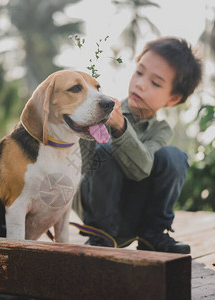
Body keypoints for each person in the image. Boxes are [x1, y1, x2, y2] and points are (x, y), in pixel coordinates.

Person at [73, 37, 203, 254]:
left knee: (174, 156)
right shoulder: (103, 109)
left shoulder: (161, 130)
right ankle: (100, 237)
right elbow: (82, 168)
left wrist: (120, 127)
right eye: (139, 72)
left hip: (134, 214)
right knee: (105, 150)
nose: (140, 84)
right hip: (98, 212)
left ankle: (152, 234)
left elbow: (141, 168)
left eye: (156, 83)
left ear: (173, 99)